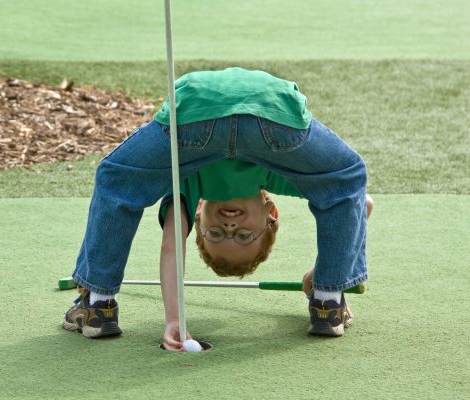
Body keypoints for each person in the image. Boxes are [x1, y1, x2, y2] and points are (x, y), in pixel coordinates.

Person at [62, 67, 370, 350]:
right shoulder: (278, 174)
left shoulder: (189, 182)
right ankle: (327, 302)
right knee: (346, 180)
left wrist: (175, 319)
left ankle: (98, 303)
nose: (231, 228)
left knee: (117, 180)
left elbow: (172, 245)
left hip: (196, 114)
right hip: (272, 113)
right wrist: (326, 272)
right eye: (244, 236)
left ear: (198, 216)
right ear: (271, 213)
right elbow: (360, 204)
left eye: (217, 234)